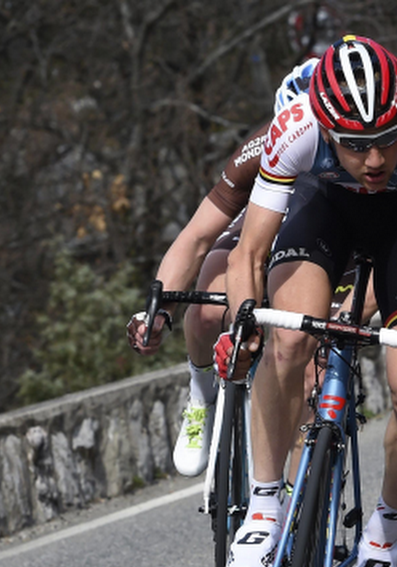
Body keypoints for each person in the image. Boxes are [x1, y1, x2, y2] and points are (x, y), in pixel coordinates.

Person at [218, 36, 397, 567]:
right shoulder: (298, 123)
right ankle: (265, 504)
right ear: (326, 126)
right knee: (286, 340)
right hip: (327, 208)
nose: (374, 159)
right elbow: (249, 253)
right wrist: (243, 322)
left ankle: (383, 538)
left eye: (388, 138)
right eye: (356, 145)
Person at [126, 59, 318, 477]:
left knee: (309, 377)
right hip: (254, 237)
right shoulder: (262, 147)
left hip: (317, 249)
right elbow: (194, 237)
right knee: (209, 300)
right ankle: (200, 396)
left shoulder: (348, 153)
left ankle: (297, 496)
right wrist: (158, 310)